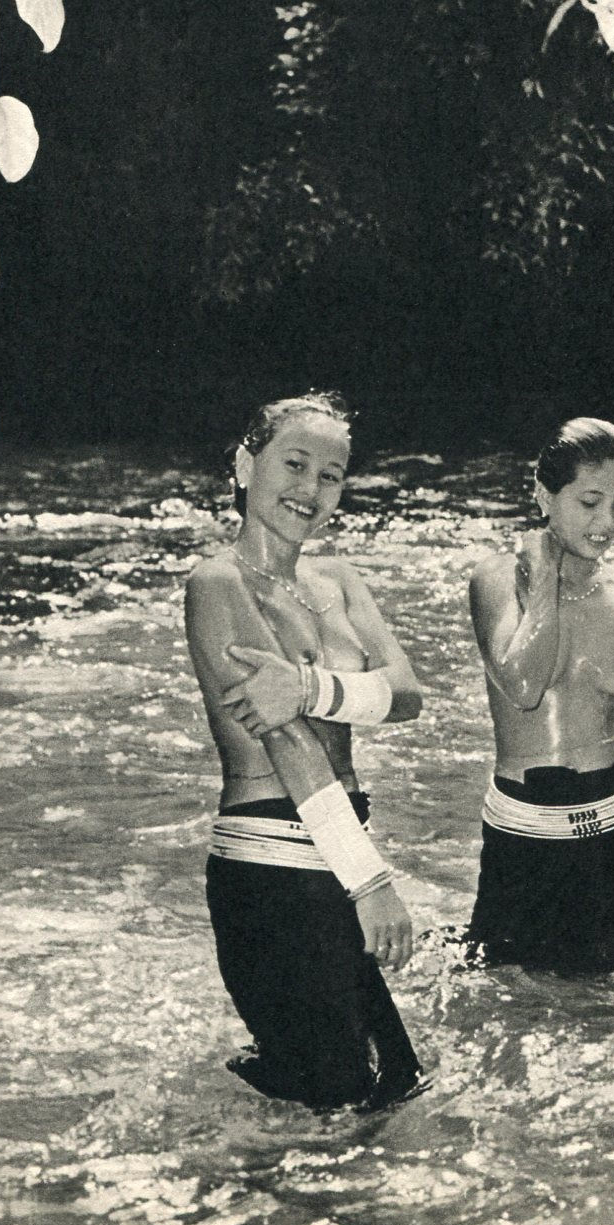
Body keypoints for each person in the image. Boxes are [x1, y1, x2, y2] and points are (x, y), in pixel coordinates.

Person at [185, 391, 424, 1109]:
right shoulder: (216, 582)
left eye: (331, 474)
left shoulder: (339, 579)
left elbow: (407, 696)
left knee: (388, 1089)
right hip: (272, 873)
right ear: (243, 462)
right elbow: (283, 738)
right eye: (294, 464)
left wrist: (315, 688)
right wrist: (368, 880)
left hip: (330, 854)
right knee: (348, 1100)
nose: (310, 489)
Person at [466, 417, 614, 976]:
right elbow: (522, 683)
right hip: (524, 830)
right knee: (501, 997)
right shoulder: (495, 580)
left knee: (595, 1006)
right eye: (590, 501)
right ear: (544, 495)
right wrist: (541, 577)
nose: (606, 522)